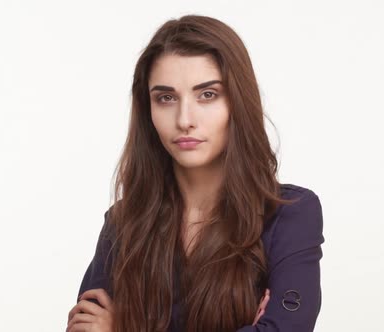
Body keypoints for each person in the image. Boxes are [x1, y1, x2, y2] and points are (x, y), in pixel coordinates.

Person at [66, 14, 325, 332]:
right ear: (148, 111)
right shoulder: (123, 224)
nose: (184, 118)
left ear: (237, 103)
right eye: (166, 98)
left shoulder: (290, 214)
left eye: (207, 94)